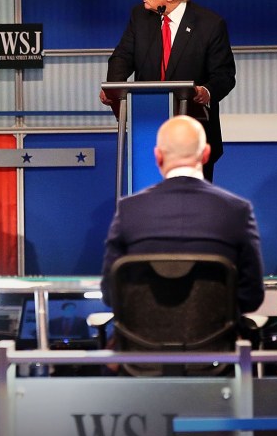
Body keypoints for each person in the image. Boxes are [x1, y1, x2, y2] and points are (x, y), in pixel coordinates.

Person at [100, 115, 264, 316]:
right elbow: (252, 296)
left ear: (158, 156)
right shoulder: (237, 210)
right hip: (217, 344)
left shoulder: (128, 210)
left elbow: (110, 293)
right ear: (206, 154)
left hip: (141, 345)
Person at [99, 0, 235, 182]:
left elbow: (224, 75)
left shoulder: (210, 24)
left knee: (192, 207)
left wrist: (206, 91)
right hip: (146, 130)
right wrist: (114, 89)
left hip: (194, 132)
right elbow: (122, 56)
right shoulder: (140, 17)